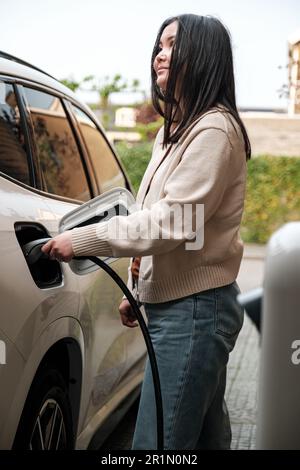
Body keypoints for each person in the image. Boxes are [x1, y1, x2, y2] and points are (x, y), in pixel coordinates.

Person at [42, 13, 251, 450]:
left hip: (194, 312)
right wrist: (141, 289)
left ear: (204, 55)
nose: (161, 54)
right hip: (184, 308)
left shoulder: (213, 130)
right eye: (159, 45)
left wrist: (81, 239)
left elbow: (173, 223)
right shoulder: (175, 131)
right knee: (205, 438)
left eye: (174, 45)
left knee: (160, 444)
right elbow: (172, 222)